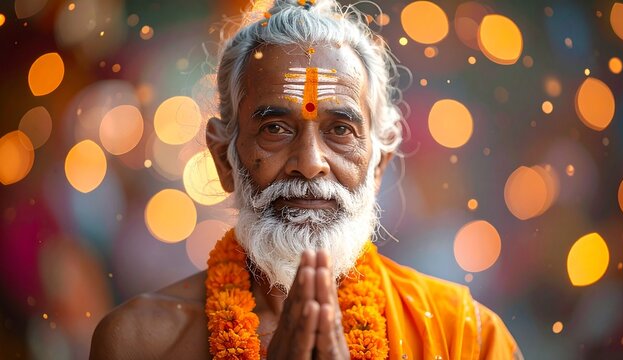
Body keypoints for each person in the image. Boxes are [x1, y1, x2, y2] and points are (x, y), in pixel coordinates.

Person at [90, 0, 523, 358]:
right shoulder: (139, 343)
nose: (310, 162)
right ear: (224, 158)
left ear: (378, 165)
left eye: (340, 130)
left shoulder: (465, 336)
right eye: (275, 128)